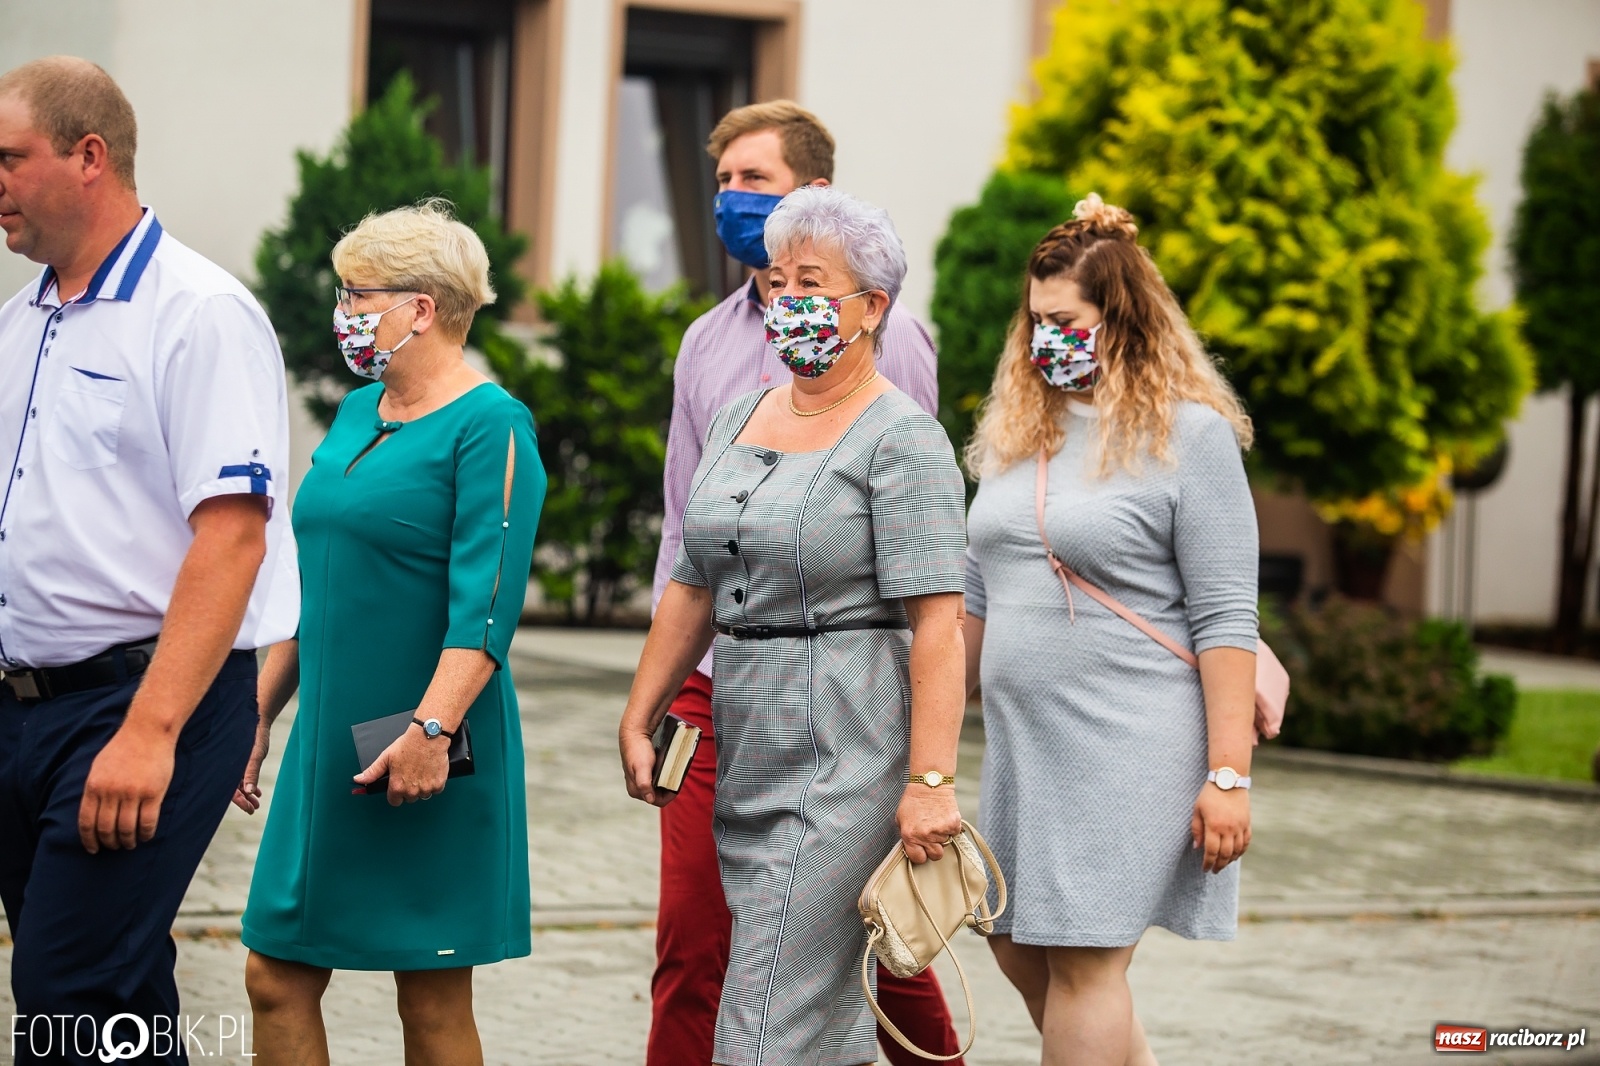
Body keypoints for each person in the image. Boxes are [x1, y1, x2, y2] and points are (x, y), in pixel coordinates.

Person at [620, 185, 969, 1066]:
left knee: (767, 1015)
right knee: (826, 1020)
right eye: (777, 282)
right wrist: (640, 709)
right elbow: (695, 580)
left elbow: (939, 622)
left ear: (872, 306)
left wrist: (931, 778)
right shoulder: (741, 417)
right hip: (747, 731)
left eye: (811, 283)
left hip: (849, 742)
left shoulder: (904, 438)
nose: (787, 302)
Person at [0, 57, 298, 1063]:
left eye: (8, 158)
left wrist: (148, 732)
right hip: (23, 707)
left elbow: (234, 537)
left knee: (65, 986)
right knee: (105, 983)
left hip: (141, 702)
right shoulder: (18, 323)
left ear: (89, 158)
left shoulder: (199, 314)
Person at [236, 200, 546, 1066]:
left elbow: (486, 610)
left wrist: (431, 731)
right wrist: (256, 715)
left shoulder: (492, 425)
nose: (344, 314)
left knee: (432, 994)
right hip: (325, 744)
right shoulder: (355, 414)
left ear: (421, 308)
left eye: (358, 295)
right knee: (276, 974)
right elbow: (314, 583)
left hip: (426, 744)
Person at [962, 195, 1260, 1066]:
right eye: (1033, 321)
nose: (1041, 337)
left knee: (1087, 962)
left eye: (1063, 321)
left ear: (1118, 319)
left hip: (1129, 738)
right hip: (1026, 745)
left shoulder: (1189, 437)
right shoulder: (1021, 431)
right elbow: (978, 587)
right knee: (1013, 943)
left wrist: (1229, 775)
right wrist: (926, 741)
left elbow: (1226, 616)